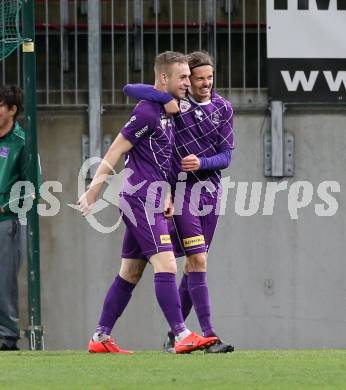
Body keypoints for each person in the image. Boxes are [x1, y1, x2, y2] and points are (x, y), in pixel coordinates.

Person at [78, 51, 217, 354]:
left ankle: (100, 337)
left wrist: (166, 192)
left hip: (153, 197)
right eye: (182, 78)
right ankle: (180, 335)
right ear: (164, 79)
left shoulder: (169, 110)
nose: (188, 83)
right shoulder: (147, 112)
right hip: (140, 199)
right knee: (166, 262)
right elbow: (115, 150)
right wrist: (94, 189)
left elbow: (159, 160)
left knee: (130, 271)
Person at [123, 51, 235, 353]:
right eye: (198, 78)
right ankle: (207, 334)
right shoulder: (177, 104)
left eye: (209, 78)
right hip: (181, 192)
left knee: (195, 265)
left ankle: (177, 335)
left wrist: (202, 162)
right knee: (196, 261)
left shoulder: (223, 108)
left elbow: (226, 156)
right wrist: (162, 98)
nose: (205, 83)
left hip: (209, 194)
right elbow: (130, 89)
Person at [0, 85, 25, 351]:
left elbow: (33, 188)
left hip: (7, 222)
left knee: (4, 280)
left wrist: (5, 207)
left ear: (12, 110)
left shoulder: (22, 143)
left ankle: (8, 337)